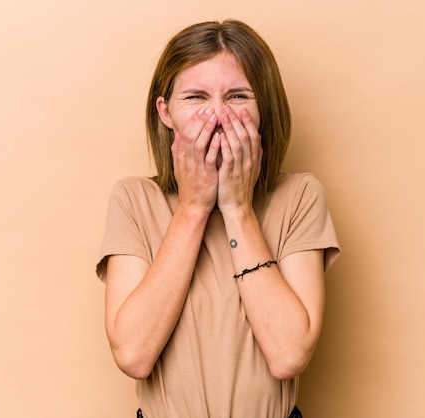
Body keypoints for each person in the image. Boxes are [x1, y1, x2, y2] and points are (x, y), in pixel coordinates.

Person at [96, 19, 340, 418]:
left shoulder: (299, 197)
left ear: (265, 109)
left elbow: (289, 355)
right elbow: (134, 356)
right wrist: (193, 207)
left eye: (239, 96)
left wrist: (237, 208)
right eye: (195, 97)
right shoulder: (133, 200)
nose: (219, 115)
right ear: (166, 111)